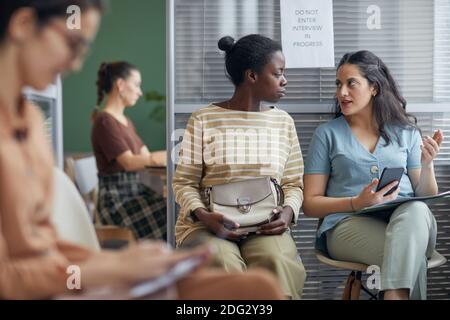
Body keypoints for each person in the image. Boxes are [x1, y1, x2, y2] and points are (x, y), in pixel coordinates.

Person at [0, 0, 286, 300]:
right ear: (23, 26)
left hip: (66, 276)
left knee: (258, 288)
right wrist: (112, 269)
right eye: (73, 44)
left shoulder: (31, 122)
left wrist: (123, 265)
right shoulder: (104, 122)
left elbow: (47, 243)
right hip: (45, 285)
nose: (75, 64)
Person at [173, 34, 307, 299]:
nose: (285, 80)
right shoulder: (203, 119)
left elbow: (293, 183)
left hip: (266, 224)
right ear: (252, 76)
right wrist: (205, 216)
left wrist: (288, 213)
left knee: (276, 261)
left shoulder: (283, 122)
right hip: (207, 225)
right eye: (278, 73)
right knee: (222, 263)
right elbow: (184, 183)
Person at [303, 50, 444, 300]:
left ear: (374, 88)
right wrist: (355, 203)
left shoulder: (406, 132)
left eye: (351, 83)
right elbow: (311, 204)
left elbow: (424, 195)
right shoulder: (327, 135)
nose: (341, 92)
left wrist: (427, 164)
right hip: (346, 226)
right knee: (411, 257)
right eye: (338, 84)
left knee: (417, 211)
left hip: (408, 223)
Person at [91, 61, 167, 241]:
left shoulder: (125, 121)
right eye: (137, 85)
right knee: (171, 215)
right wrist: (170, 154)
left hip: (135, 193)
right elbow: (130, 162)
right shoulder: (105, 121)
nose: (140, 92)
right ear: (121, 85)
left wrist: (169, 154)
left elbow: (146, 156)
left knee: (174, 209)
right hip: (117, 201)